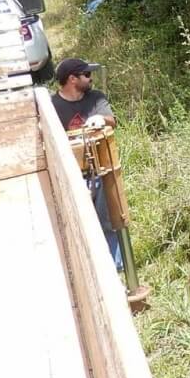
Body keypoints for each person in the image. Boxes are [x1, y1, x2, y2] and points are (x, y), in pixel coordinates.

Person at [51, 57, 123, 271]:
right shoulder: (54, 107)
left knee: (108, 219)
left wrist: (101, 119)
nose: (91, 79)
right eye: (87, 75)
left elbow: (112, 120)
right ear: (72, 79)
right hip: (73, 173)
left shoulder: (95, 98)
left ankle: (115, 266)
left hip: (101, 168)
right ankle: (89, 267)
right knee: (80, 223)